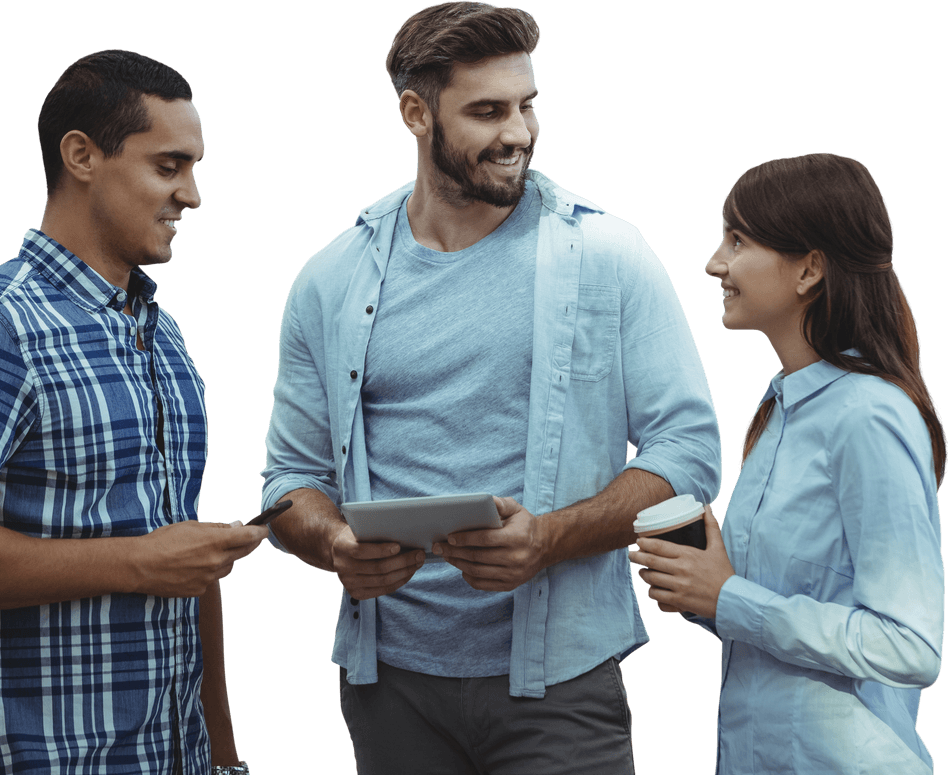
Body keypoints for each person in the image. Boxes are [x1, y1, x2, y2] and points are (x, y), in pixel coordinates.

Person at [259, 3, 721, 773]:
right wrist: (337, 542)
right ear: (416, 113)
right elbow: (288, 480)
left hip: (561, 689)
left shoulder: (610, 254)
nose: (519, 133)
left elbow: (691, 451)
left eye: (527, 105)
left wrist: (548, 538)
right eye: (487, 111)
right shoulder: (329, 279)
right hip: (390, 688)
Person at [0, 50, 265, 775]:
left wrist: (226, 756)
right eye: (169, 166)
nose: (194, 194)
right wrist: (139, 562)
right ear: (81, 156)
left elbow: (183, 560)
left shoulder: (162, 336)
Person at [630, 153, 945, 773]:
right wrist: (703, 591)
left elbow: (912, 647)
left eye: (738, 239)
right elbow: (782, 611)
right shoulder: (778, 413)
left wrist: (730, 598)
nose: (713, 262)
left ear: (810, 269)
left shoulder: (869, 417)